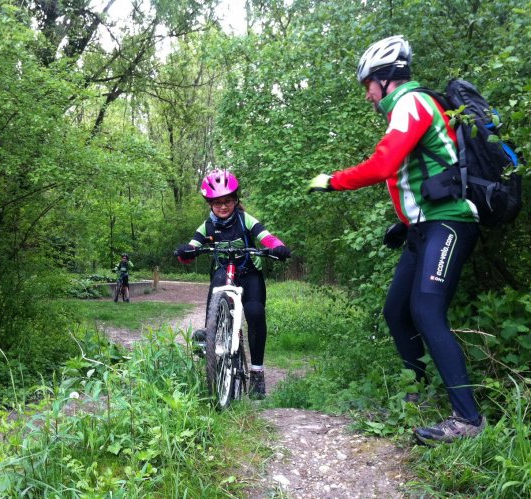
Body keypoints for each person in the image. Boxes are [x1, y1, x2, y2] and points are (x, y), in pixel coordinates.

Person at [307, 35, 486, 444]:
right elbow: (415, 174)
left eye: (369, 83)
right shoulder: (405, 109)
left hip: (450, 223)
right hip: (423, 227)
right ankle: (420, 394)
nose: (367, 93)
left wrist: (332, 181)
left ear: (388, 77)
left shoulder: (410, 101)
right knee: (396, 311)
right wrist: (405, 221)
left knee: (426, 312)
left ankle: (469, 420)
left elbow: (383, 163)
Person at [176, 169, 291, 399]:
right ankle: (210, 334)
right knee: (218, 281)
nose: (222, 206)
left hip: (249, 272)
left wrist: (277, 246)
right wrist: (186, 252)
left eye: (227, 201)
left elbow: (266, 236)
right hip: (224, 271)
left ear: (236, 200)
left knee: (255, 311)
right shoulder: (207, 226)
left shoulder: (244, 219)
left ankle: (257, 373)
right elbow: (192, 245)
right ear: (209, 203)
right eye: (216, 202)